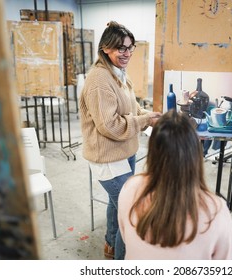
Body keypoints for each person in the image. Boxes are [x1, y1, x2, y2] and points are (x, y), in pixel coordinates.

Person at [79, 21, 161, 260]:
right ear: (105, 48)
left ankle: (110, 245)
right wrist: (144, 122)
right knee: (131, 214)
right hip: (108, 158)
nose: (126, 53)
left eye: (130, 47)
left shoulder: (120, 75)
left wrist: (151, 116)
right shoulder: (99, 80)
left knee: (117, 205)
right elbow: (110, 126)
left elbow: (133, 108)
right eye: (120, 48)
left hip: (125, 152)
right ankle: (123, 263)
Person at [118, 110, 232, 259]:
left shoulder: (130, 189)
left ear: (153, 152)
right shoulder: (215, 212)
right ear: (195, 154)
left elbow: (125, 237)